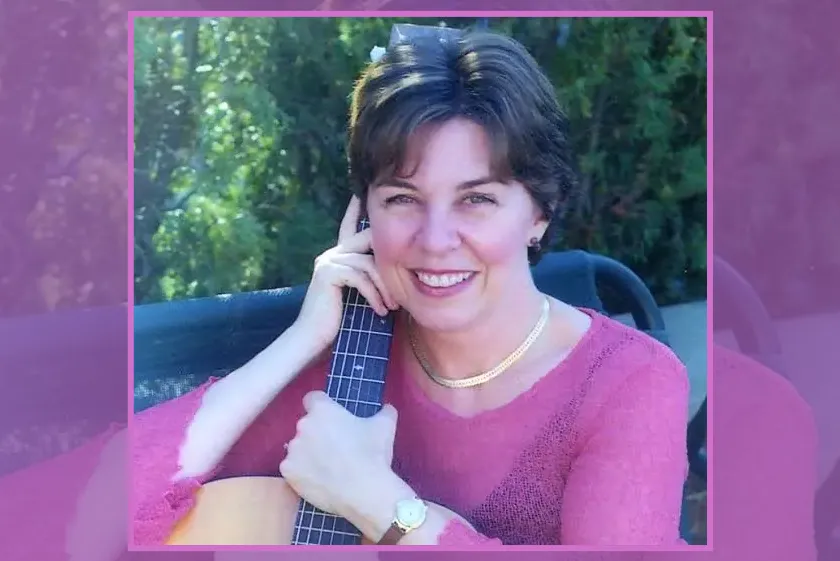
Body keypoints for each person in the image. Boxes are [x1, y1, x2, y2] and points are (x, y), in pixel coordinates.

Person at [131, 29, 690, 546]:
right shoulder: (343, 366)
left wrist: (378, 501)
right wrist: (302, 339)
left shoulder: (628, 383)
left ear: (540, 212)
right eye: (402, 198)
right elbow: (99, 506)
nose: (436, 239)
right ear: (365, 213)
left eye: (476, 199)